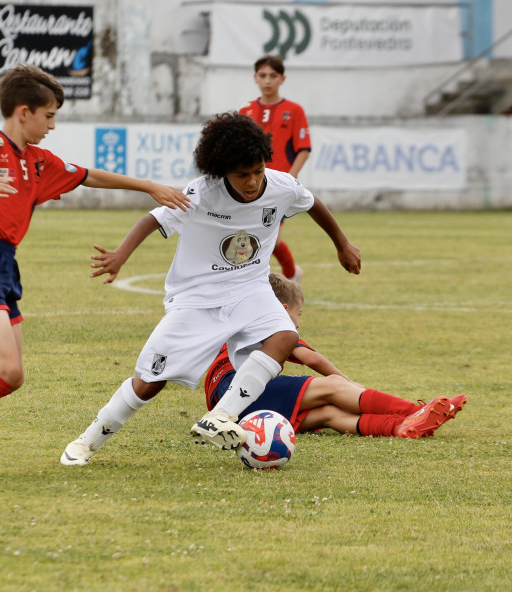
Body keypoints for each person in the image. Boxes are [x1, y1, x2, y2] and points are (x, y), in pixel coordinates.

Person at [0, 64, 192, 483]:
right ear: (24, 112)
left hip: (4, 265)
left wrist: (148, 186)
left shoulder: (36, 161)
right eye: (49, 116)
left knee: (12, 375)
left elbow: (87, 175)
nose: (52, 125)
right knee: (4, 369)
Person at [60, 111, 360, 467]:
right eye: (241, 175)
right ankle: (88, 440)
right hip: (196, 296)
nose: (251, 182)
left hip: (250, 285)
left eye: (257, 171)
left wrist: (342, 244)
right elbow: (152, 219)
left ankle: (221, 416)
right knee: (150, 382)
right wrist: (120, 255)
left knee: (284, 335)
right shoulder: (201, 192)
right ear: (221, 171)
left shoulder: (282, 187)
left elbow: (313, 205)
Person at [204, 274, 466, 439]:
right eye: (299, 314)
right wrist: (348, 383)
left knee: (329, 413)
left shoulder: (243, 322)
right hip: (238, 389)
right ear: (283, 309)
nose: (297, 322)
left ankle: (399, 427)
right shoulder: (271, 323)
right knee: (334, 387)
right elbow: (312, 359)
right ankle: (417, 411)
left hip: (230, 408)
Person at [240, 54, 311, 284]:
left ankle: (290, 274)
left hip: (277, 184)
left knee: (272, 236)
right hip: (249, 185)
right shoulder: (246, 112)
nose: (267, 80)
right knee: (253, 234)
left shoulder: (294, 111)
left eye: (273, 76)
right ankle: (286, 273)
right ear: (255, 78)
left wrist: (290, 178)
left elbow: (303, 148)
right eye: (263, 75)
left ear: (282, 79)